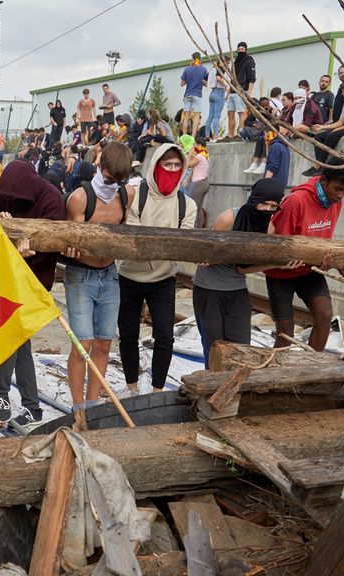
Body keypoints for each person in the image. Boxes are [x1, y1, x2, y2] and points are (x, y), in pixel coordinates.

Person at [0, 160, 66, 425]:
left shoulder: (51, 198)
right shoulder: (5, 196)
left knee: (13, 337)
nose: (12, 202)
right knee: (18, 340)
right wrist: (1, 225)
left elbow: (52, 243)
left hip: (36, 277)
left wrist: (28, 247)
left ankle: (5, 397)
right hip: (10, 276)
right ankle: (29, 405)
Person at [63, 142, 135, 427]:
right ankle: (78, 409)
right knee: (83, 343)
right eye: (109, 179)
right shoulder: (80, 198)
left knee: (104, 343)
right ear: (99, 167)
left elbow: (123, 232)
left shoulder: (126, 196)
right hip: (82, 276)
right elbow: (70, 239)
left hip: (110, 275)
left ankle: (93, 407)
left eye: (119, 180)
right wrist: (71, 247)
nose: (113, 185)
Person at [118, 143, 197, 394]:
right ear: (155, 165)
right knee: (128, 333)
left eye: (177, 165)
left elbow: (183, 245)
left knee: (165, 336)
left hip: (163, 279)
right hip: (129, 275)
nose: (172, 169)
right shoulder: (134, 194)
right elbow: (133, 239)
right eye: (167, 164)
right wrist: (161, 245)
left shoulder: (187, 204)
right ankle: (131, 386)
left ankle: (157, 390)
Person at [267, 162, 344, 351]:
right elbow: (281, 247)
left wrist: (337, 263)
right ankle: (275, 374)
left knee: (324, 315)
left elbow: (323, 241)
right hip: (281, 274)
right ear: (323, 180)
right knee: (285, 333)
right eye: (337, 189)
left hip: (309, 271)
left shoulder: (335, 202)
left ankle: (312, 364)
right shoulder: (295, 201)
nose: (340, 195)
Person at [193, 179, 291, 365]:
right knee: (214, 347)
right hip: (208, 289)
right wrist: (210, 257)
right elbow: (206, 250)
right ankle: (212, 388)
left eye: (273, 205)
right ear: (254, 199)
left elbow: (243, 268)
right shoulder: (229, 218)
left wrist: (275, 264)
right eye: (263, 203)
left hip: (237, 290)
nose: (267, 209)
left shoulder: (268, 228)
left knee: (241, 346)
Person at [180, 52, 209, 137]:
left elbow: (182, 84)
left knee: (186, 117)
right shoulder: (203, 69)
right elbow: (206, 83)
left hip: (188, 95)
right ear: (200, 59)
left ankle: (184, 136)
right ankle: (193, 137)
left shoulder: (187, 69)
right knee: (196, 117)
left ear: (192, 59)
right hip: (197, 95)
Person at [185, 137, 210, 227]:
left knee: (193, 207)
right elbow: (194, 169)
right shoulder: (205, 156)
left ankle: (192, 227)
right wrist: (187, 180)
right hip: (205, 183)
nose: (193, 147)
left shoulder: (199, 156)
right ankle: (198, 228)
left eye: (194, 145)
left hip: (199, 184)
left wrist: (189, 155)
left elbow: (188, 165)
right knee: (198, 208)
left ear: (199, 145)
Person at [234, 42, 257, 129]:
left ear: (246, 50)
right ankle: (231, 135)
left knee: (242, 112)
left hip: (242, 90)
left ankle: (240, 133)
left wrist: (249, 91)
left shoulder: (249, 61)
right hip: (233, 90)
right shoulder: (236, 62)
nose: (240, 51)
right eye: (238, 49)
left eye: (242, 49)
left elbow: (252, 77)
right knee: (231, 113)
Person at [206, 65, 226, 141]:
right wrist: (226, 85)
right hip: (219, 92)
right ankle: (216, 135)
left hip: (212, 93)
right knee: (217, 116)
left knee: (210, 116)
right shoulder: (220, 69)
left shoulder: (212, 70)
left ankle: (207, 135)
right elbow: (218, 78)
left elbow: (205, 80)